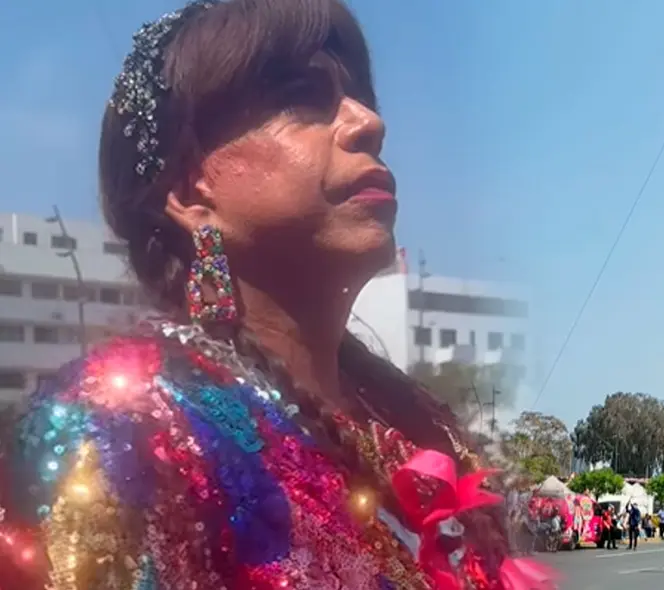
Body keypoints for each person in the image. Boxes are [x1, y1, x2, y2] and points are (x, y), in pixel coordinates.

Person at [0, 1, 554, 588]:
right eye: (302, 96)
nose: (369, 123)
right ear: (191, 188)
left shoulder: (413, 423)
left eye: (361, 96)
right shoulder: (122, 427)